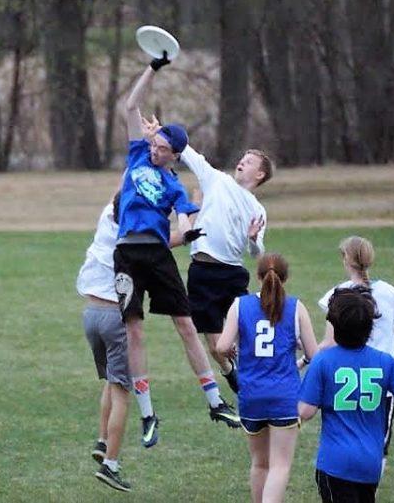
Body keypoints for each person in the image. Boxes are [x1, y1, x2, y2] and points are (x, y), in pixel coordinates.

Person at [115, 57, 240, 451]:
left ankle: (216, 403)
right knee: (134, 329)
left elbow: (185, 223)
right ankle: (148, 414)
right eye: (154, 144)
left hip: (158, 256)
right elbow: (130, 107)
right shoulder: (137, 155)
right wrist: (153, 68)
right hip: (126, 256)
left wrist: (188, 234)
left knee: (187, 326)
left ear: (175, 155)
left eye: (163, 148)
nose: (155, 151)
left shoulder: (174, 187)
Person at [148, 114, 273, 393]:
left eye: (250, 162)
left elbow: (257, 253)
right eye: (243, 158)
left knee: (242, 336)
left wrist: (253, 240)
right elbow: (188, 151)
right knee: (217, 345)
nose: (242, 161)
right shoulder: (216, 180)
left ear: (260, 175)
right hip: (202, 272)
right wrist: (162, 133)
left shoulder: (257, 210)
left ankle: (256, 377)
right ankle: (230, 373)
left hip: (232, 274)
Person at [299, 288, 394, 503]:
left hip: (335, 464)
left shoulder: (323, 361)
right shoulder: (386, 362)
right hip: (370, 464)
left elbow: (305, 411)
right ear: (370, 326)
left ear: (335, 326)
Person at [215, 253, 318, 503]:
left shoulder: (240, 305)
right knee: (280, 466)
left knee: (259, 464)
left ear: (258, 277)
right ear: (286, 278)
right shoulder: (296, 307)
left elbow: (220, 347)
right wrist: (301, 361)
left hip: (251, 395)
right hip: (284, 396)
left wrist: (231, 351)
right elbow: (314, 354)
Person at [315, 236, 394, 465]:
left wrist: (303, 357)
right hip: (381, 383)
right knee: (377, 448)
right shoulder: (390, 293)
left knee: (343, 439)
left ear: (345, 260)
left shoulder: (338, 295)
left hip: (346, 381)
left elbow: (328, 343)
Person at [79, 193, 133, 492]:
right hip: (114, 317)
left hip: (90, 314)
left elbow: (123, 184)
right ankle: (110, 464)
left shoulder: (106, 217)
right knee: (123, 391)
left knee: (111, 383)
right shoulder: (132, 237)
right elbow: (168, 242)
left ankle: (102, 439)